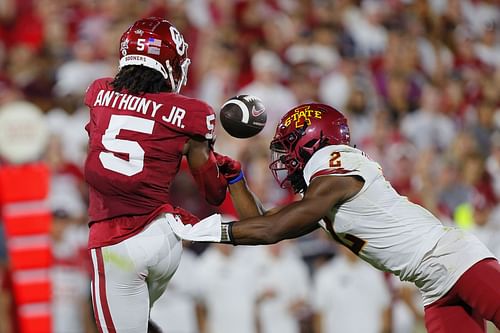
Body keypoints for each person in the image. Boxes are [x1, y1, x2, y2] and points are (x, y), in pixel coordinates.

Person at [186, 103, 500, 333]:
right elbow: (261, 222)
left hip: (457, 261)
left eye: (288, 148)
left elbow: (271, 229)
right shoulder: (322, 193)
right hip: (433, 285)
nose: (284, 160)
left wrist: (204, 229)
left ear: (312, 142)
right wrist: (236, 178)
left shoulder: (336, 166)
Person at [83, 17, 229, 332]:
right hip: (165, 239)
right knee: (141, 323)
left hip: (117, 244)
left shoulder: (98, 93)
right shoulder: (192, 113)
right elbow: (214, 193)